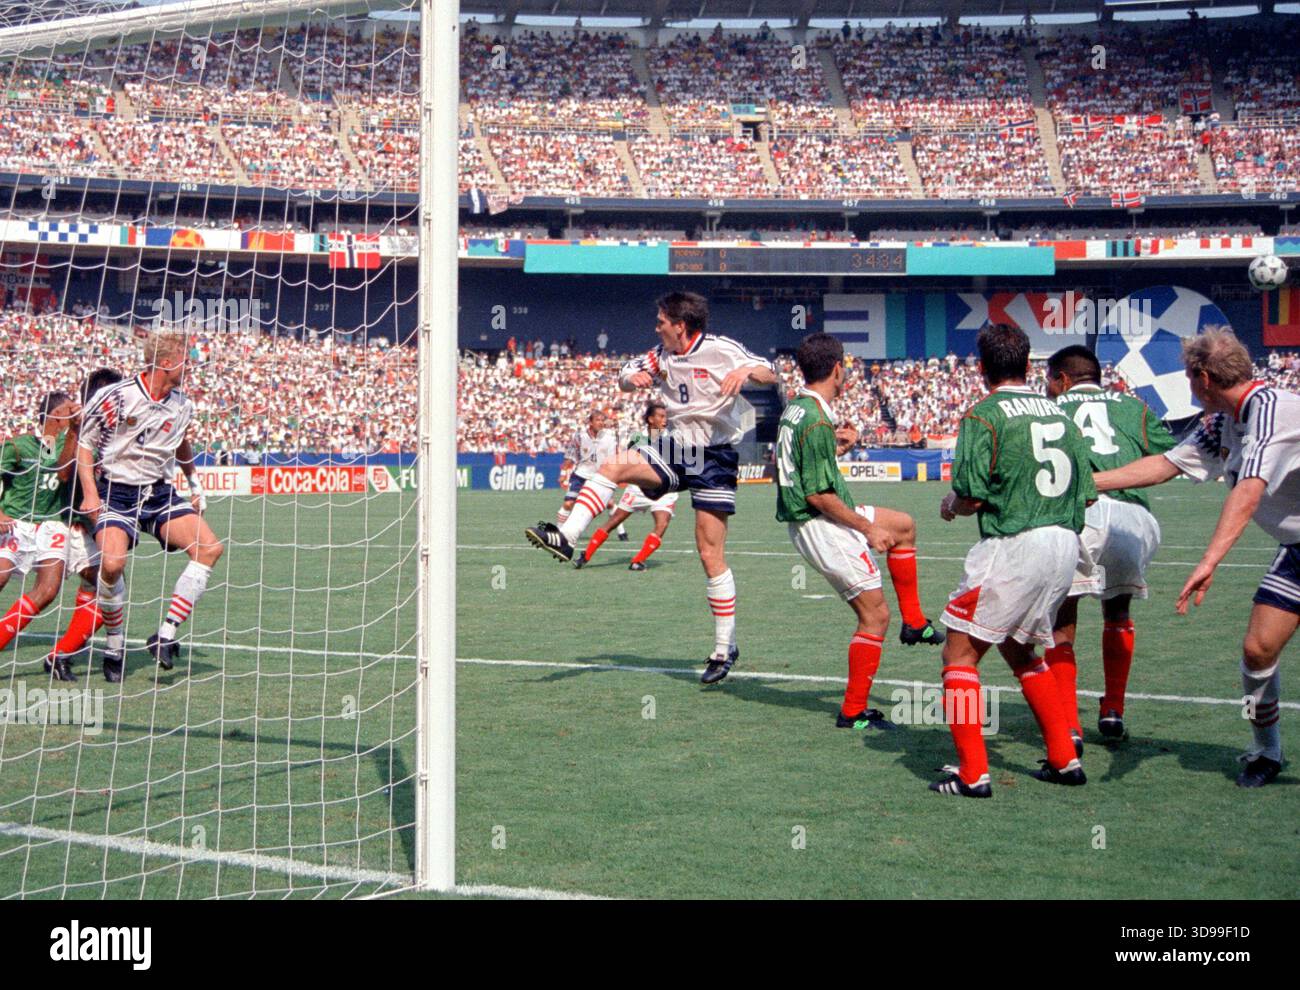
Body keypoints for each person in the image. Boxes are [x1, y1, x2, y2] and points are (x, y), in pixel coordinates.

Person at [525, 291, 776, 684]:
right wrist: (632, 379)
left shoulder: (721, 348)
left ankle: (724, 648)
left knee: (709, 554)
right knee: (614, 466)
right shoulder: (662, 353)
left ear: (681, 325)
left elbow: (768, 372)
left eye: (661, 321)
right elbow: (625, 376)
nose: (656, 327)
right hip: (676, 447)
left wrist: (744, 372)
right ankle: (567, 535)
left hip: (716, 456)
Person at [1092, 330, 1300, 788]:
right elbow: (1166, 464)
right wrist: (1087, 485)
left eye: (1188, 377)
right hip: (1297, 549)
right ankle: (1266, 751)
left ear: (1202, 377)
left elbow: (1249, 492)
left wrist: (1208, 562)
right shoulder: (1222, 420)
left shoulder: (1270, 412)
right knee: (1257, 649)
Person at [933, 325, 1095, 797]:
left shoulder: (983, 415)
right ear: (1029, 366)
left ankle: (972, 773)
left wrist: (950, 504)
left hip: (1014, 544)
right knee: (1020, 649)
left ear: (982, 369)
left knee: (958, 654)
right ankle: (1065, 760)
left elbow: (972, 495)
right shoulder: (1062, 414)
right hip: (1064, 545)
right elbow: (1085, 496)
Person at [777, 333, 943, 731]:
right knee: (875, 617)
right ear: (837, 369)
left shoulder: (799, 410)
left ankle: (915, 622)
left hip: (823, 515)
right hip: (820, 524)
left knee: (903, 526)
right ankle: (853, 712)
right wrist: (867, 529)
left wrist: (837, 450)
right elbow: (817, 494)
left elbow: (806, 467)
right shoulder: (815, 418)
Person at [1044, 345, 1175, 741]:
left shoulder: (1052, 410)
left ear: (1062, 380)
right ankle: (1113, 709)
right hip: (1133, 518)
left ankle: (1069, 726)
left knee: (1062, 619)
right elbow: (1171, 455)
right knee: (1117, 611)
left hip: (1080, 515)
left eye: (1050, 381)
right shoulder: (1134, 407)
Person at [77, 331, 224, 682]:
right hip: (115, 491)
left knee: (209, 549)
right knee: (111, 566)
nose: (190, 366)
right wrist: (90, 493)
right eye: (185, 359)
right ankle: (114, 645)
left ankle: (165, 634)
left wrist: (195, 484)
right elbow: (85, 443)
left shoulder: (182, 404)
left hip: (157, 493)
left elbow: (181, 442)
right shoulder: (117, 396)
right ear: (167, 363)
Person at [0, 392, 85, 679]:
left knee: (48, 590)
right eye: (67, 412)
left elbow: (60, 471)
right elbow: (49, 459)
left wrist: (73, 431)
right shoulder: (18, 445)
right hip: (17, 522)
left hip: (51, 524)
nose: (73, 415)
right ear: (54, 416)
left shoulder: (67, 444)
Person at [575, 400, 677, 571]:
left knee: (662, 524)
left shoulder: (671, 439)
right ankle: (585, 555)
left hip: (663, 489)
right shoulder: (638, 437)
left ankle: (638, 561)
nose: (665, 420)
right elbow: (630, 462)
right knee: (614, 521)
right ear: (651, 419)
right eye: (661, 416)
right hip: (638, 488)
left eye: (665, 417)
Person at [555, 410, 617, 530]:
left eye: (602, 420)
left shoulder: (609, 438)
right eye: (597, 420)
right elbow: (571, 456)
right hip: (581, 475)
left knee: (610, 504)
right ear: (590, 422)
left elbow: (612, 460)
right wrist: (563, 473)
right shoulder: (580, 436)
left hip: (600, 477)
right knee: (568, 504)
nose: (600, 423)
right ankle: (559, 532)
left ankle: (621, 532)